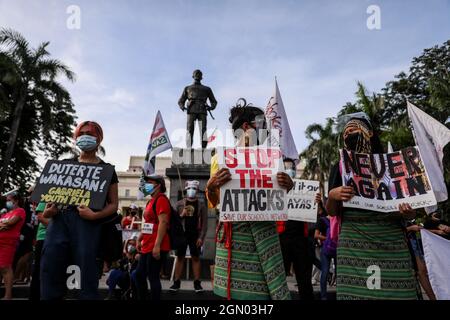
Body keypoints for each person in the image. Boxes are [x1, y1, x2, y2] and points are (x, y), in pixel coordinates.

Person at [206, 99, 292, 300]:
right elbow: (214, 203)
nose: (266, 131)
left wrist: (287, 184)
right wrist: (211, 186)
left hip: (265, 236)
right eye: (262, 125)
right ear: (247, 127)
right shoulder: (221, 158)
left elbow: (277, 196)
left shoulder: (272, 158)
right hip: (235, 239)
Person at [326, 114, 418, 300]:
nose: (349, 133)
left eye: (355, 129)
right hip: (354, 243)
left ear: (371, 133)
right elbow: (332, 211)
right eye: (347, 131)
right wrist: (333, 195)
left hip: (391, 242)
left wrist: (408, 213)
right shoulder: (340, 167)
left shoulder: (392, 165)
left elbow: (411, 211)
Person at [40, 121, 119, 300]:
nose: (85, 137)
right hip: (59, 223)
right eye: (81, 133)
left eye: (90, 134)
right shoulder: (63, 165)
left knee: (86, 270)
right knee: (51, 266)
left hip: (88, 225)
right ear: (75, 138)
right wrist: (48, 213)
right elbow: (46, 207)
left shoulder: (106, 170)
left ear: (98, 139)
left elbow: (114, 205)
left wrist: (94, 215)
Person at [278, 158, 314, 300]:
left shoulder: (304, 189)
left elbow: (313, 213)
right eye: (286, 166)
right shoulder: (276, 187)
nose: (289, 169)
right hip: (281, 237)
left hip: (301, 239)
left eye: (290, 166)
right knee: (279, 278)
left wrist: (316, 204)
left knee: (304, 279)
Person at [135, 174, 171, 300]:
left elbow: (163, 223)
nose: (146, 185)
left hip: (156, 245)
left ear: (158, 185)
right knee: (139, 275)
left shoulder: (161, 199)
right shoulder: (151, 201)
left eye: (149, 182)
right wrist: (140, 238)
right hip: (147, 244)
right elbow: (149, 224)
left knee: (153, 276)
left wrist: (157, 246)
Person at [170, 180, 208, 293]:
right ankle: (176, 282)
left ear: (196, 191)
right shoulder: (179, 204)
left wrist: (201, 237)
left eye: (194, 189)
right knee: (180, 257)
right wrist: (181, 215)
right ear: (186, 190)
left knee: (195, 257)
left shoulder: (201, 205)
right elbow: (173, 221)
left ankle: (197, 283)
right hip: (182, 235)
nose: (191, 191)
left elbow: (205, 223)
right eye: (189, 189)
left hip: (195, 235)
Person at [0, 191, 26, 300]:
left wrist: (4, 225)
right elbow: (5, 225)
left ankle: (8, 295)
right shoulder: (6, 213)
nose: (8, 202)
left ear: (16, 200)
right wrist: (4, 225)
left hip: (8, 243)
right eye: (7, 200)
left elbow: (11, 224)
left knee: (6, 267)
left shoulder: (20, 211)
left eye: (10, 200)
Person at [404, 222, 436, 300]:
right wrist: (410, 228)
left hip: (414, 244)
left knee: (423, 271)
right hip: (407, 246)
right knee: (421, 272)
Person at [315, 203, 336, 300]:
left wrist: (326, 238)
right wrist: (330, 238)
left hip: (325, 249)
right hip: (336, 248)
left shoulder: (322, 220)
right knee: (339, 272)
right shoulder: (338, 219)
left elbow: (316, 235)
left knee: (325, 272)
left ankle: (323, 297)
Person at [29, 202, 49, 300]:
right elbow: (40, 217)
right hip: (44, 238)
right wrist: (58, 228)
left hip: (61, 239)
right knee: (39, 269)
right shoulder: (46, 196)